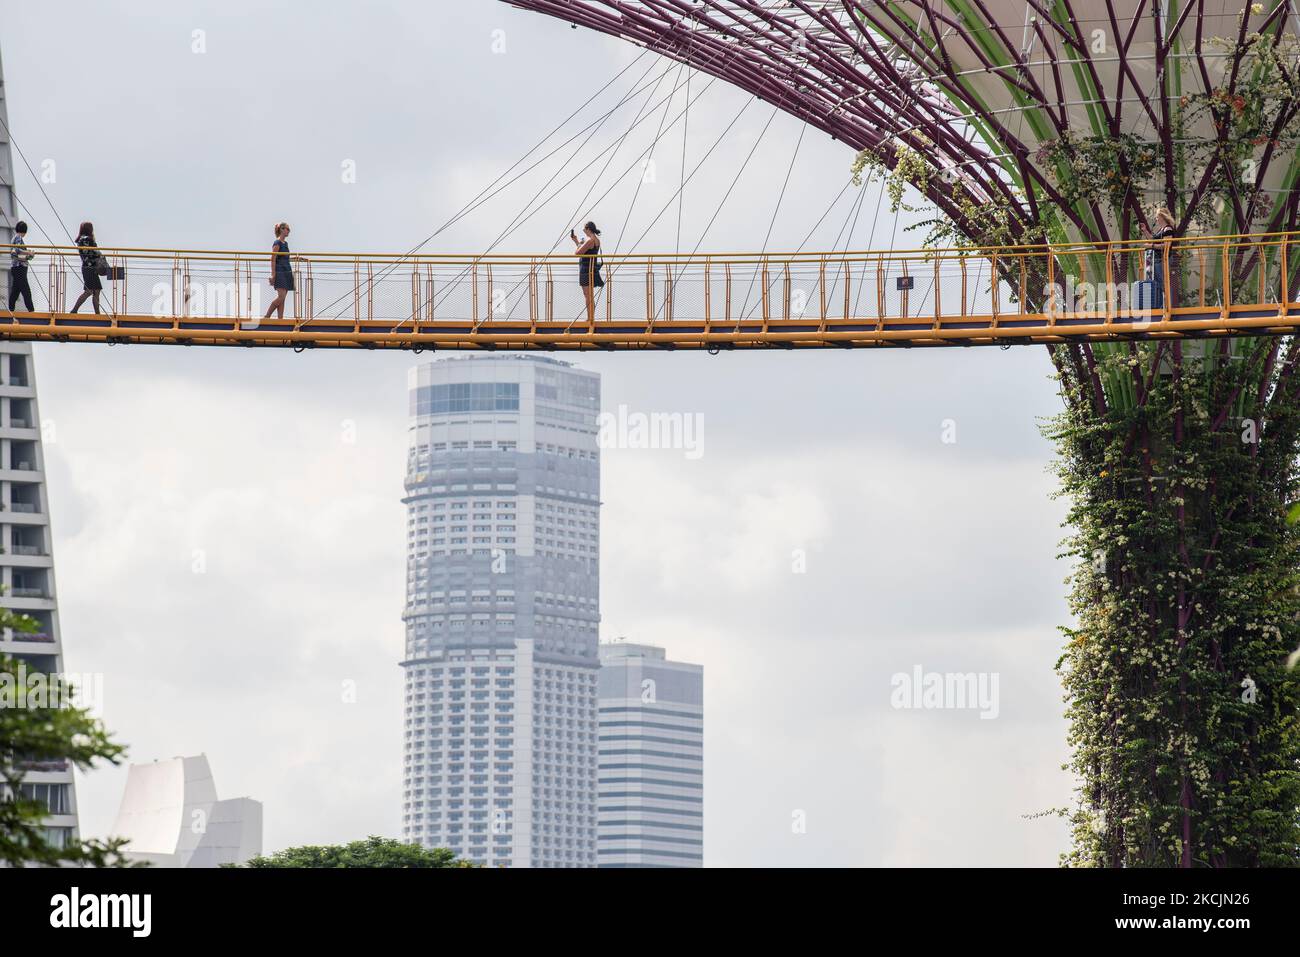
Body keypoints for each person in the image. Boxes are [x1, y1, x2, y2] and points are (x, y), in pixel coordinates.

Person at [1140, 206, 1179, 309]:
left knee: (1164, 281)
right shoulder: (1161, 230)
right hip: (1157, 259)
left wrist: (1151, 246)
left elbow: (1166, 245)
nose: (1156, 219)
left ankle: (1167, 305)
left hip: (1163, 259)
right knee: (1158, 282)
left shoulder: (1168, 229)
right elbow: (1153, 239)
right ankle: (1161, 305)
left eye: (1157, 216)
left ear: (1162, 217)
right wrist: (1145, 230)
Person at [570, 221, 603, 323]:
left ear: (588, 229)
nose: (583, 230)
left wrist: (580, 243)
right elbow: (585, 251)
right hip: (590, 268)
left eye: (584, 229)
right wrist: (576, 241)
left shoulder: (590, 241)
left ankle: (590, 318)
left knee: (587, 295)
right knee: (589, 295)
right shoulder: (596, 240)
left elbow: (578, 253)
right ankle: (590, 317)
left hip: (586, 269)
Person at [70, 221, 104, 315]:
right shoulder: (88, 239)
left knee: (95, 290)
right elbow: (93, 252)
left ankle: (96, 313)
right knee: (90, 291)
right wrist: (101, 256)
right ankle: (75, 310)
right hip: (90, 267)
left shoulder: (81, 240)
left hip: (87, 267)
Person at [264, 222, 294, 320]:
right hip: (280, 271)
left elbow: (285, 257)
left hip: (287, 271)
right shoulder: (277, 243)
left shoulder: (286, 243)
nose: (288, 231)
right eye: (287, 229)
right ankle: (267, 316)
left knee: (283, 298)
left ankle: (280, 319)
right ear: (281, 229)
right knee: (281, 297)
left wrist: (298, 258)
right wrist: (273, 275)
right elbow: (273, 258)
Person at [8, 220, 35, 314]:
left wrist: (29, 256)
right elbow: (16, 250)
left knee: (16, 291)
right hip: (19, 268)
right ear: (24, 230)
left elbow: (16, 254)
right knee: (26, 290)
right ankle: (32, 311)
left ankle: (10, 310)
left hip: (17, 268)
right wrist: (29, 252)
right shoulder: (18, 237)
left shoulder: (15, 238)